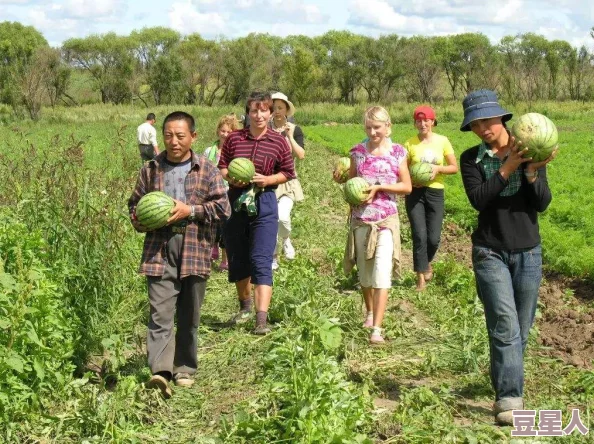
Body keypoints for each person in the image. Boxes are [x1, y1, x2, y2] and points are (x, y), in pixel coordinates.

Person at [459, 90, 557, 425]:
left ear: (502, 117)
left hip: (529, 251)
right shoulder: (471, 159)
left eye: (487, 120)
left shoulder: (530, 148)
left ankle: (504, 376)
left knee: (520, 328)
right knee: (504, 324)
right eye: (475, 124)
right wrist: (508, 166)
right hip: (489, 251)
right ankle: (510, 399)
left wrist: (530, 172)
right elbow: (479, 200)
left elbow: (541, 203)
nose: (483, 128)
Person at [128, 111, 231, 398]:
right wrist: (142, 219)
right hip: (159, 249)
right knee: (160, 312)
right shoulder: (150, 170)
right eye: (169, 135)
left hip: (195, 247)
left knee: (189, 313)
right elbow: (134, 206)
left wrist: (191, 211)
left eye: (180, 136)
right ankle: (161, 371)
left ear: (193, 137)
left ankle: (184, 366)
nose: (174, 141)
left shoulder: (207, 169)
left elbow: (224, 209)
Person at [218, 91, 296, 335]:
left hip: (264, 202)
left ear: (271, 113)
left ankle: (261, 320)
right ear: (248, 113)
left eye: (264, 110)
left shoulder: (278, 141)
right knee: (238, 256)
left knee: (261, 258)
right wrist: (233, 178)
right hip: (236, 203)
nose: (259, 115)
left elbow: (288, 172)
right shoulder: (234, 139)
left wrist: (267, 179)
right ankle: (245, 308)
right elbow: (222, 166)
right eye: (254, 110)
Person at [334, 106, 411, 345]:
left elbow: (406, 186)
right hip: (361, 220)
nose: (373, 132)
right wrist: (342, 180)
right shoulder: (357, 152)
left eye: (377, 127)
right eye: (368, 127)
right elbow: (352, 184)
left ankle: (377, 328)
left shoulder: (399, 152)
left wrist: (379, 188)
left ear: (388, 127)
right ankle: (369, 312)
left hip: (387, 220)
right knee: (365, 275)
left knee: (381, 273)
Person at [405, 105, 458, 291]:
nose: (422, 124)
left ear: (433, 121)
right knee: (419, 235)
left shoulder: (443, 141)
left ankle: (425, 262)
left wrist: (438, 169)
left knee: (433, 238)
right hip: (415, 193)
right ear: (415, 123)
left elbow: (454, 167)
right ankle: (420, 278)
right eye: (418, 121)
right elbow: (402, 171)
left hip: (436, 191)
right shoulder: (409, 144)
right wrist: (412, 179)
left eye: (426, 120)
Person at [269, 92, 305, 270]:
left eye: (280, 108)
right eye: (274, 108)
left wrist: (290, 136)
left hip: (288, 180)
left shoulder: (294, 129)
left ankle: (286, 239)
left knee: (282, 217)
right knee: (271, 220)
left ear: (286, 110)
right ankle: (273, 256)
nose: (277, 111)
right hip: (268, 181)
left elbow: (301, 155)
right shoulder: (264, 128)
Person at [204, 113, 240, 271]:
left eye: (229, 132)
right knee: (212, 224)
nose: (225, 134)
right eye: (223, 131)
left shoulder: (236, 152)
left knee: (226, 225)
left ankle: (225, 259)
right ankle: (213, 249)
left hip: (228, 192)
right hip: (211, 193)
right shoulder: (209, 151)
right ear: (218, 131)